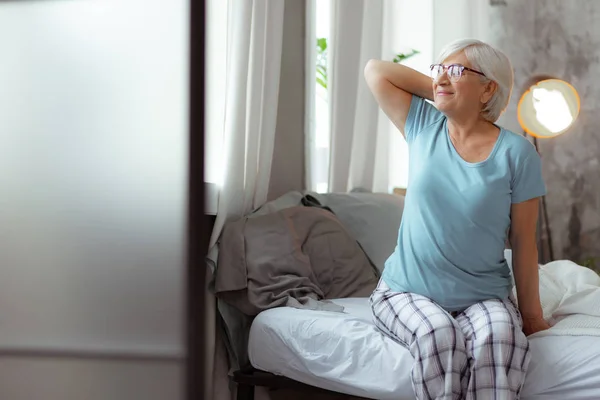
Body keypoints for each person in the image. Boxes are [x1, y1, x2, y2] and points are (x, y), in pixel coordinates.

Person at [364, 38, 551, 400]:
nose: (441, 77)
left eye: (456, 70)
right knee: (438, 336)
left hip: (483, 296)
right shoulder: (422, 124)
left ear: (488, 89)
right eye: (439, 68)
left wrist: (532, 316)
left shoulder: (518, 154)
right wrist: (441, 86)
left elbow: (525, 242)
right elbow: (376, 70)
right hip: (406, 291)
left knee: (501, 338)